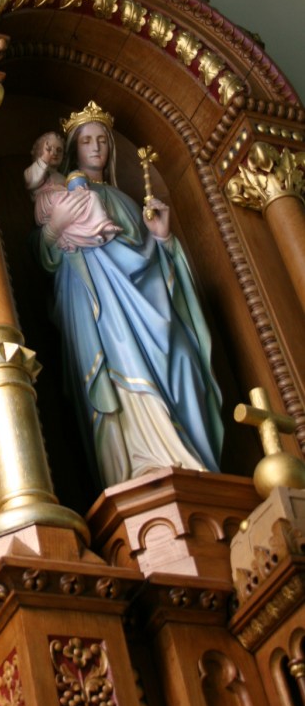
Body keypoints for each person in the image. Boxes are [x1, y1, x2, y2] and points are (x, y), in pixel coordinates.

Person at [36, 101, 224, 489]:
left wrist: (162, 239)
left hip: (148, 304)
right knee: (119, 378)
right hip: (99, 305)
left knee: (186, 361)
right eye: (86, 140)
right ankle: (138, 470)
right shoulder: (65, 193)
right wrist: (53, 230)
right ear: (74, 149)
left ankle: (193, 461)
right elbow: (48, 257)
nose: (96, 147)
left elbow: (151, 261)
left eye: (102, 140)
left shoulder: (123, 200)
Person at [25, 130, 121, 250]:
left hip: (66, 201)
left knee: (92, 196)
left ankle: (97, 230)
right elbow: (30, 180)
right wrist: (44, 159)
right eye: (49, 149)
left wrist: (80, 192)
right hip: (51, 202)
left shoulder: (63, 177)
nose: (96, 148)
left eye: (59, 150)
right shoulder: (40, 172)